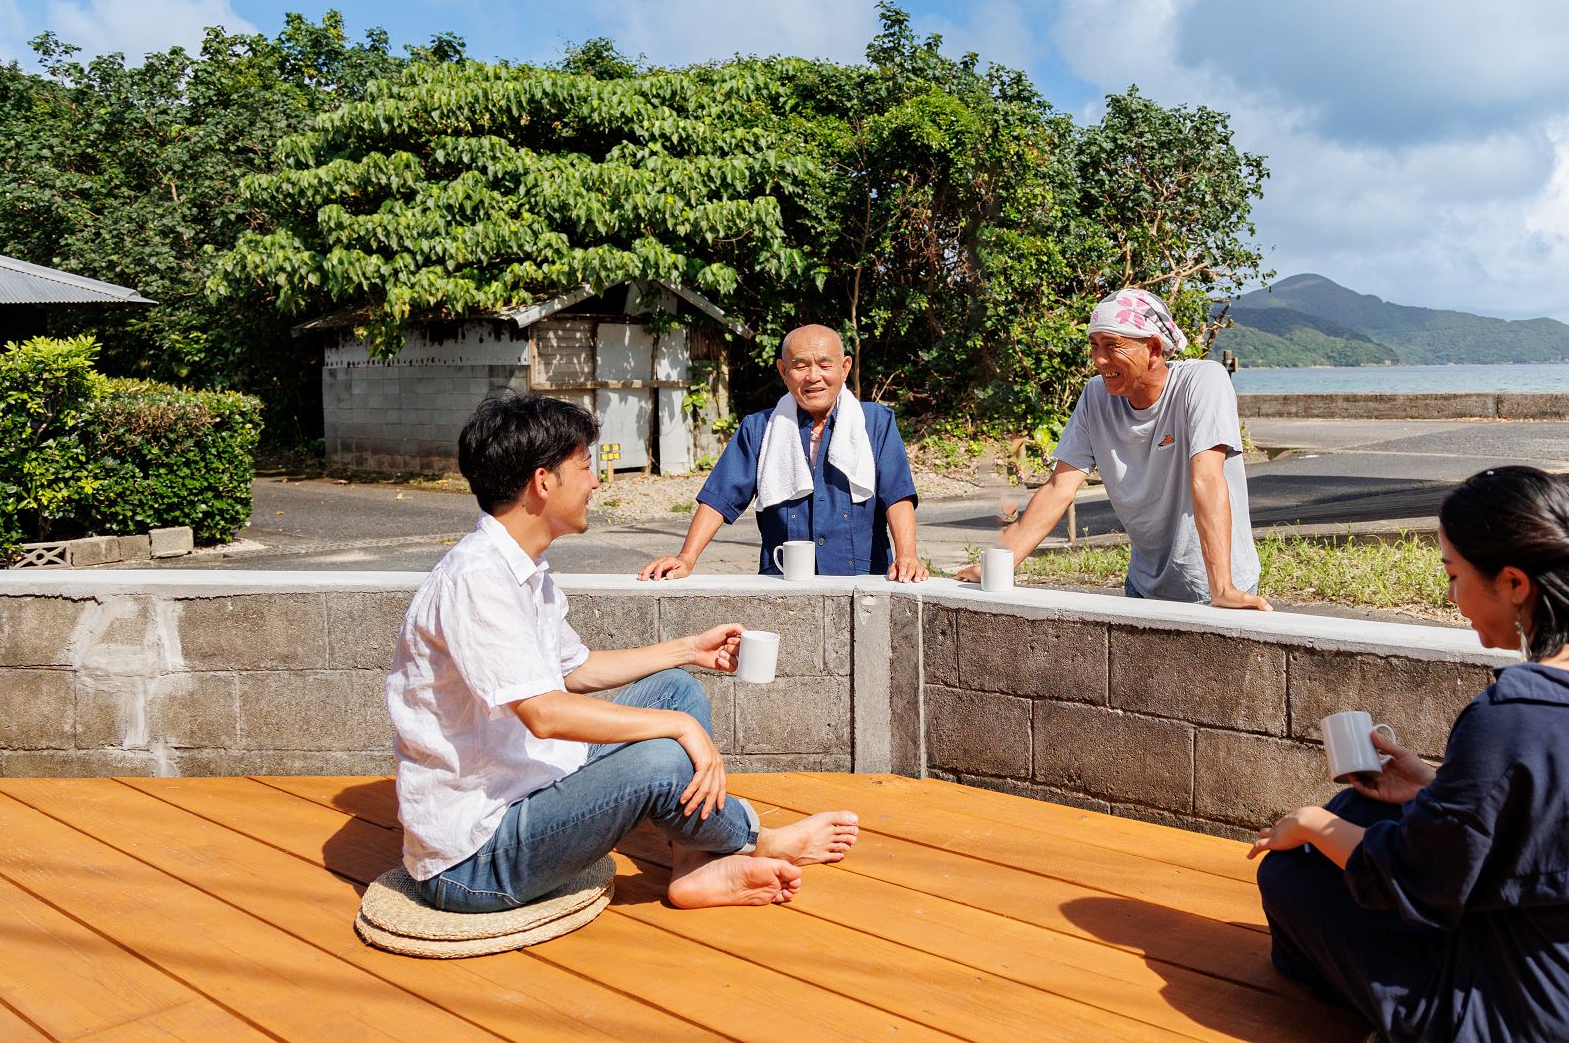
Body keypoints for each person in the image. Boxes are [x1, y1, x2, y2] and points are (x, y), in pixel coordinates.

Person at [1250, 466, 1569, 1041]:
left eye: (1454, 575)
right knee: (1363, 810)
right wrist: (1433, 787)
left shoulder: (1513, 712)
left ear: (1514, 582)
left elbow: (1416, 879)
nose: (1451, 597)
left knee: (1291, 873)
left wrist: (1310, 823)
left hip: (1550, 1023)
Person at [388, 392, 860, 913]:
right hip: (477, 859)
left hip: (533, 784)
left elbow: (577, 670)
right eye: (584, 467)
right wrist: (680, 728)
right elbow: (545, 714)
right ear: (543, 482)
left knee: (676, 690)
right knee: (661, 756)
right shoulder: (477, 580)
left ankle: (691, 861)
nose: (595, 483)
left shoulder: (522, 570)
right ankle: (759, 839)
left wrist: (687, 650)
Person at [957, 288, 1268, 608]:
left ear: (1154, 348)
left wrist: (1222, 588)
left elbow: (1207, 479)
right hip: (1144, 585)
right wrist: (999, 563)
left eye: (1112, 346)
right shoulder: (1096, 397)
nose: (1099, 360)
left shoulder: (1202, 381)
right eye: (1094, 346)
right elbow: (1058, 489)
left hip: (1213, 585)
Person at [639, 324, 927, 582]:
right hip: (783, 580)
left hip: (864, 580)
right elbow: (719, 499)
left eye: (825, 365)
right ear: (783, 371)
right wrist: (686, 557)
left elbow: (897, 495)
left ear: (845, 367)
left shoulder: (875, 423)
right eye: (800, 366)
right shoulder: (759, 428)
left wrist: (907, 555)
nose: (813, 377)